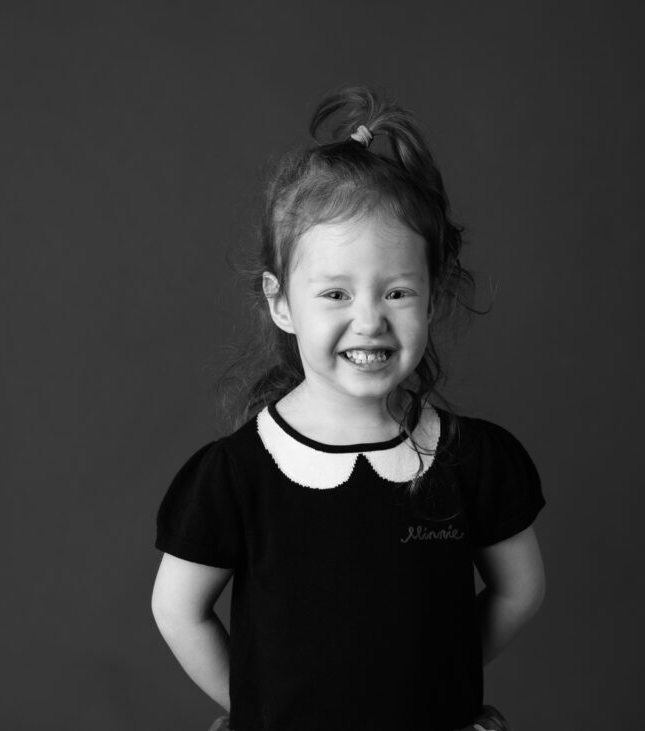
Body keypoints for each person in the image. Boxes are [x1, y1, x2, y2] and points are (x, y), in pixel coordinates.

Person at [151, 85, 546, 731]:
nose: (369, 321)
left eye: (396, 291)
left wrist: (441, 689)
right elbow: (177, 609)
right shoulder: (235, 476)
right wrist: (256, 709)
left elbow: (521, 588)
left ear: (434, 295)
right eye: (335, 292)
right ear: (281, 303)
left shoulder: (473, 460)